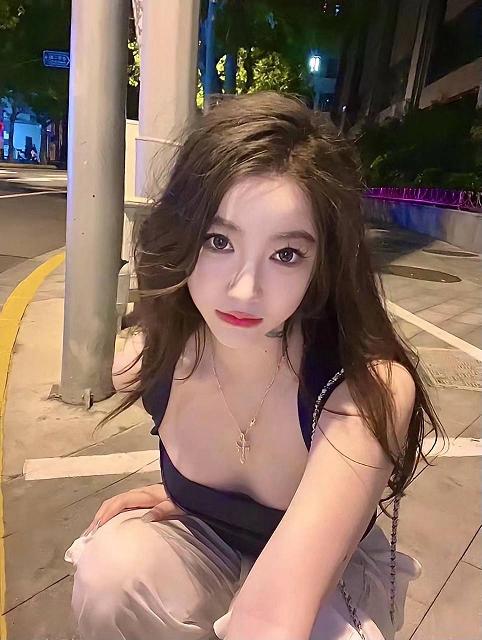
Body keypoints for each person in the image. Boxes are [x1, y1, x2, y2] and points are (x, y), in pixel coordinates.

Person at [65, 91, 445, 640]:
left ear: (321, 265)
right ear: (184, 233)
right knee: (112, 574)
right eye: (219, 241)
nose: (244, 289)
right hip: (207, 542)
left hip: (330, 581)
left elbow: (273, 618)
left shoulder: (364, 390)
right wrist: (193, 495)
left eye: (286, 254)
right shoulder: (151, 361)